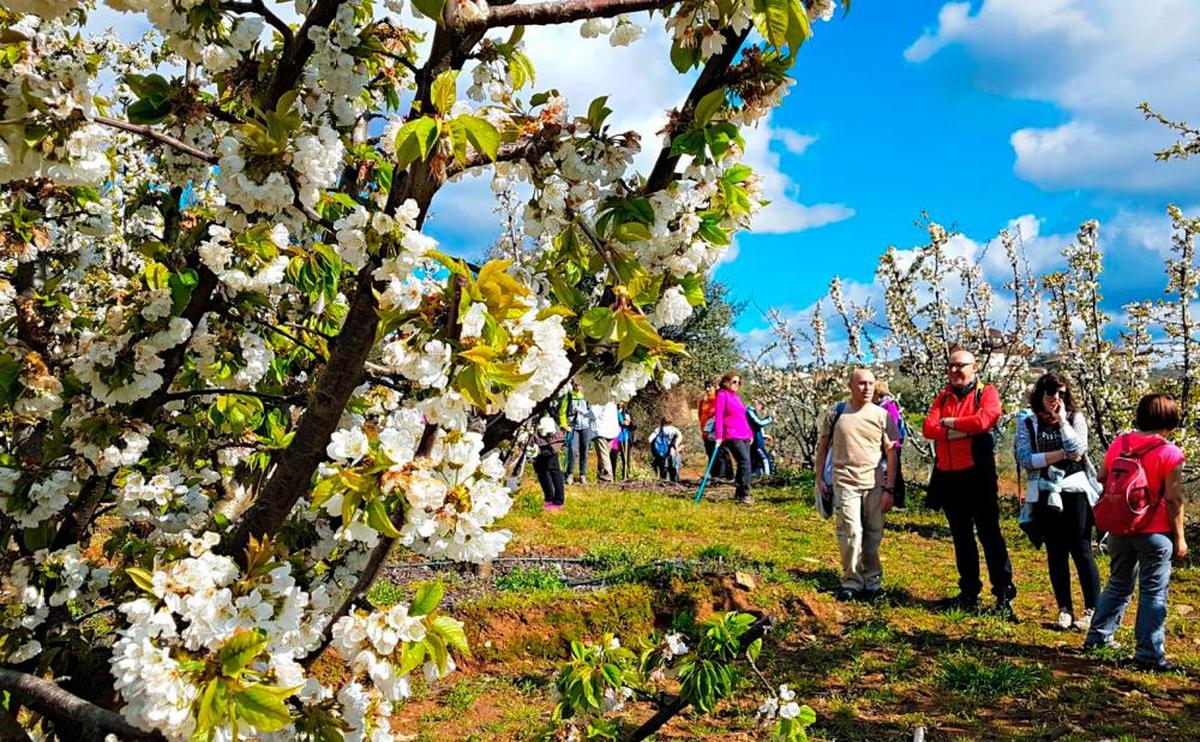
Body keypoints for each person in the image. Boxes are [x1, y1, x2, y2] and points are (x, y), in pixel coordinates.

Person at [1084, 394, 1188, 671]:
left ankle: (1098, 638)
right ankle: (1149, 655)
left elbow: (1102, 477)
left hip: (1120, 527)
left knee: (1118, 584)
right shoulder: (1171, 453)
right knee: (1154, 592)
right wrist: (1180, 537)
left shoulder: (1122, 442)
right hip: (1155, 532)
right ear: (1170, 421)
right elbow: (1174, 499)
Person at [922, 348, 1017, 618]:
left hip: (978, 476)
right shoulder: (942, 395)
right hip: (949, 477)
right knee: (962, 537)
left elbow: (985, 420)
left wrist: (949, 424)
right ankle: (968, 593)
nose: (954, 371)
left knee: (990, 536)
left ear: (974, 367)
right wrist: (962, 431)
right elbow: (929, 429)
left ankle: (1003, 595)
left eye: (960, 366)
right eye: (950, 366)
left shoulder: (986, 392)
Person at [1013, 373, 1101, 631]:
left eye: (1062, 394)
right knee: (1056, 551)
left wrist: (1062, 421)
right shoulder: (1028, 423)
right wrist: (1060, 454)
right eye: (1051, 393)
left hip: (1075, 492)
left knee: (1082, 549)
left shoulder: (1075, 418)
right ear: (1040, 395)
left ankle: (1092, 608)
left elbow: (1078, 450)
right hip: (1044, 492)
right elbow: (1025, 458)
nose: (1056, 399)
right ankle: (1064, 608)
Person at [814, 369, 899, 601]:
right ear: (850, 385)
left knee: (873, 534)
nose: (867, 388)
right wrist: (819, 477)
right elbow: (822, 447)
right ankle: (851, 581)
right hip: (844, 482)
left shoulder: (883, 415)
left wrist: (889, 489)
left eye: (871, 383)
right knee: (851, 532)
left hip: (873, 485)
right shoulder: (837, 412)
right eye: (862, 383)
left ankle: (873, 583)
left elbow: (892, 454)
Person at [713, 371, 754, 505]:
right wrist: (719, 436)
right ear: (726, 382)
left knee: (745, 463)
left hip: (744, 434)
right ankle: (744, 494)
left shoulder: (736, 397)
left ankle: (739, 493)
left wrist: (750, 433)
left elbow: (743, 417)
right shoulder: (722, 395)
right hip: (732, 434)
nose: (736, 384)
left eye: (738, 382)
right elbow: (718, 416)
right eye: (734, 381)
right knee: (745, 462)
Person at [872, 381, 907, 508]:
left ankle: (898, 500)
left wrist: (891, 442)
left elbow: (894, 425)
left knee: (894, 471)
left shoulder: (888, 405)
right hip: (883, 443)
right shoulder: (880, 405)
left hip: (892, 444)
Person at [530, 414, 566, 511]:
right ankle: (549, 498)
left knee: (553, 469)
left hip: (548, 434)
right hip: (534, 434)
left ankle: (559, 501)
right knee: (541, 471)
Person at [560, 382, 593, 484]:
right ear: (573, 385)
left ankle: (583, 475)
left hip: (585, 427)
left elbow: (592, 413)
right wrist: (565, 425)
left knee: (585, 450)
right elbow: (562, 411)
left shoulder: (587, 396)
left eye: (580, 385)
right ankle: (569, 474)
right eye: (576, 385)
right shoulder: (569, 396)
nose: (578, 387)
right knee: (572, 450)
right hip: (573, 427)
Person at [698, 380, 731, 479]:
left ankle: (724, 476)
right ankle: (714, 476)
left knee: (721, 454)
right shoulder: (703, 402)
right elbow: (700, 416)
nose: (707, 389)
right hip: (706, 434)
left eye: (710, 387)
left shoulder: (719, 400)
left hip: (719, 433)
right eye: (706, 387)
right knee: (710, 454)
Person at [590, 400, 621, 483]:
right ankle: (601, 476)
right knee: (604, 455)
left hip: (601, 430)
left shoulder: (599, 398)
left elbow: (593, 413)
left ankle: (608, 476)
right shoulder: (612, 401)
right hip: (611, 430)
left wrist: (583, 413)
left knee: (603, 456)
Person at [649, 416, 683, 482]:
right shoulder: (674, 429)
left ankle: (664, 486)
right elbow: (680, 436)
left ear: (662, 422)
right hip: (673, 452)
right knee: (674, 470)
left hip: (662, 454)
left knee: (663, 471)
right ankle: (675, 485)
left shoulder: (658, 430)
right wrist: (676, 444)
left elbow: (650, 439)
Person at [747, 400, 774, 478]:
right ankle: (767, 477)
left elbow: (756, 426)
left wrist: (764, 435)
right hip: (756, 441)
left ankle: (755, 477)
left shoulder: (753, 412)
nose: (760, 408)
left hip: (757, 439)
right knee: (765, 458)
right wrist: (769, 419)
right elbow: (758, 423)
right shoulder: (749, 411)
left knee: (756, 460)